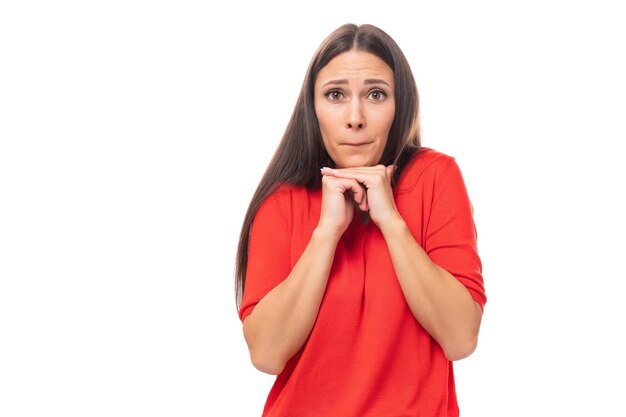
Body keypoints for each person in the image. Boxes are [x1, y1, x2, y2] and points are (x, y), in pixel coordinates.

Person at [234, 23, 486, 417]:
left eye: (375, 94)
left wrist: (390, 220)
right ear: (312, 107)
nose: (355, 118)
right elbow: (266, 354)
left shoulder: (435, 178)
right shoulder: (282, 201)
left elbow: (460, 338)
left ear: (399, 105)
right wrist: (327, 232)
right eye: (335, 95)